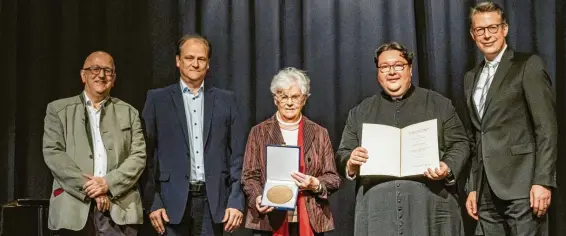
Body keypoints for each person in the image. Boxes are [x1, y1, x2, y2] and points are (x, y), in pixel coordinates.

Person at [337, 42, 469, 236]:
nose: (392, 72)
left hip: (429, 209)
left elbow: (460, 143)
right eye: (384, 67)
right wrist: (351, 162)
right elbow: (343, 153)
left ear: (410, 69)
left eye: (398, 65)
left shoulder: (439, 104)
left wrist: (447, 167)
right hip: (378, 213)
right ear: (378, 73)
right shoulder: (360, 112)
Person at [463, 2, 557, 235]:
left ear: (504, 29)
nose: (487, 35)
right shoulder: (470, 77)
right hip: (486, 191)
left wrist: (543, 181)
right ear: (472, 34)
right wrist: (473, 187)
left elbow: (546, 128)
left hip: (523, 187)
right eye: (480, 30)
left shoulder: (527, 66)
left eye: (492, 28)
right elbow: (476, 136)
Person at [143, 34, 247, 236]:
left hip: (214, 203)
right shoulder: (157, 100)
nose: (195, 64)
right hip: (170, 203)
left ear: (208, 64)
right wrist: (152, 201)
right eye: (189, 58)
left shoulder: (226, 100)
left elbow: (238, 156)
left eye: (201, 59)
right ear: (178, 61)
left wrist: (236, 200)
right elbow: (145, 156)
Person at [42, 51, 146, 235]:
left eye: (107, 71)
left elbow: (138, 157)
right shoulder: (58, 110)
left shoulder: (130, 112)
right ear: (83, 75)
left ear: (113, 79)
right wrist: (93, 189)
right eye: (95, 69)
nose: (101, 75)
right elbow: (54, 153)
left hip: (119, 208)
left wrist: (108, 183)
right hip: (72, 208)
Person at [242, 67, 341, 236]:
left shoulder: (319, 133)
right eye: (283, 96)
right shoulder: (258, 132)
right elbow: (250, 176)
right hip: (269, 219)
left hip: (310, 219)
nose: (289, 102)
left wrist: (315, 184)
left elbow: (333, 177)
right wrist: (258, 197)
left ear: (304, 99)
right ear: (275, 99)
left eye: (295, 97)